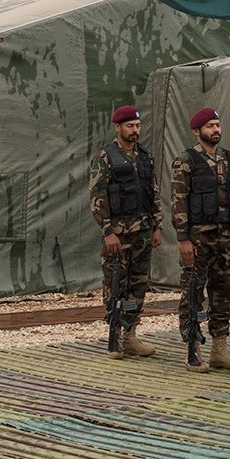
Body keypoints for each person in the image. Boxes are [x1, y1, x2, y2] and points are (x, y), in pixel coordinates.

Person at [172, 107, 230, 373]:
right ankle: (193, 347)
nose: (216, 130)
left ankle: (219, 348)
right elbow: (178, 202)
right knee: (192, 292)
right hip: (198, 238)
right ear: (197, 131)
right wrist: (183, 239)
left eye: (217, 124)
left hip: (225, 236)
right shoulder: (186, 161)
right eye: (210, 126)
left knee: (222, 292)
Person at [89, 105, 162, 360]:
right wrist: (108, 232)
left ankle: (130, 335)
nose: (135, 130)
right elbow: (97, 197)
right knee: (115, 283)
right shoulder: (105, 156)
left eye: (138, 126)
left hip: (142, 231)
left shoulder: (144, 156)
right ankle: (113, 334)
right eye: (130, 126)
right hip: (118, 234)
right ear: (118, 127)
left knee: (139, 284)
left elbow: (152, 193)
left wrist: (156, 226)